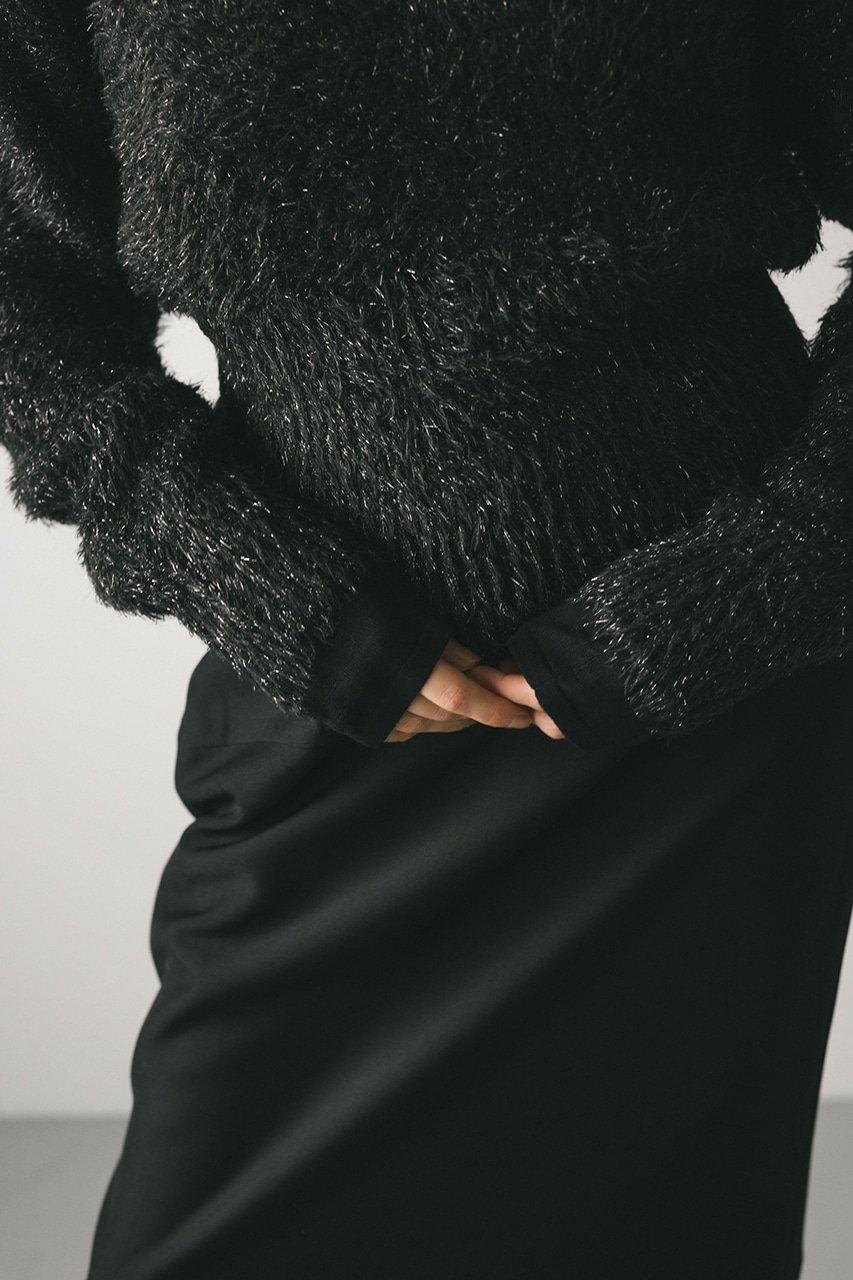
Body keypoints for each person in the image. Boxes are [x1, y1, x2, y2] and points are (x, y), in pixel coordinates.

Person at [2, 1, 853, 1276]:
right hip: (328, 708)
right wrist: (266, 589)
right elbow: (24, 306)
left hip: (712, 721)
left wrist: (755, 580)